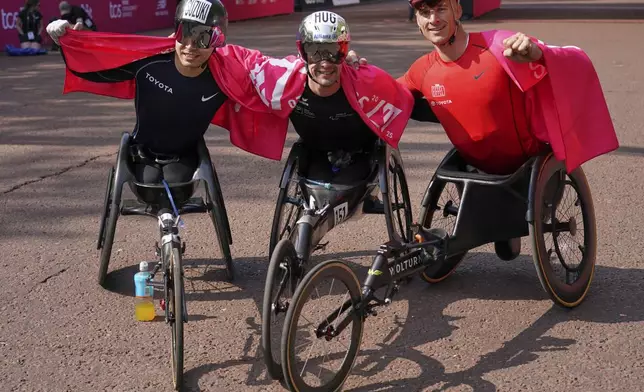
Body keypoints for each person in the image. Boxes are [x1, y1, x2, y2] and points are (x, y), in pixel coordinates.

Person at [401, 0, 617, 270]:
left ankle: (505, 227)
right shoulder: (421, 70)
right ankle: (499, 227)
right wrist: (351, 70)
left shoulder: (499, 46)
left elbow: (567, 59)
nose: (433, 19)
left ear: (457, 9)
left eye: (440, 9)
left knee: (506, 245)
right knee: (504, 246)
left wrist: (537, 53)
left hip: (527, 174)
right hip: (475, 177)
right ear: (418, 20)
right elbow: (383, 94)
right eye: (425, 12)